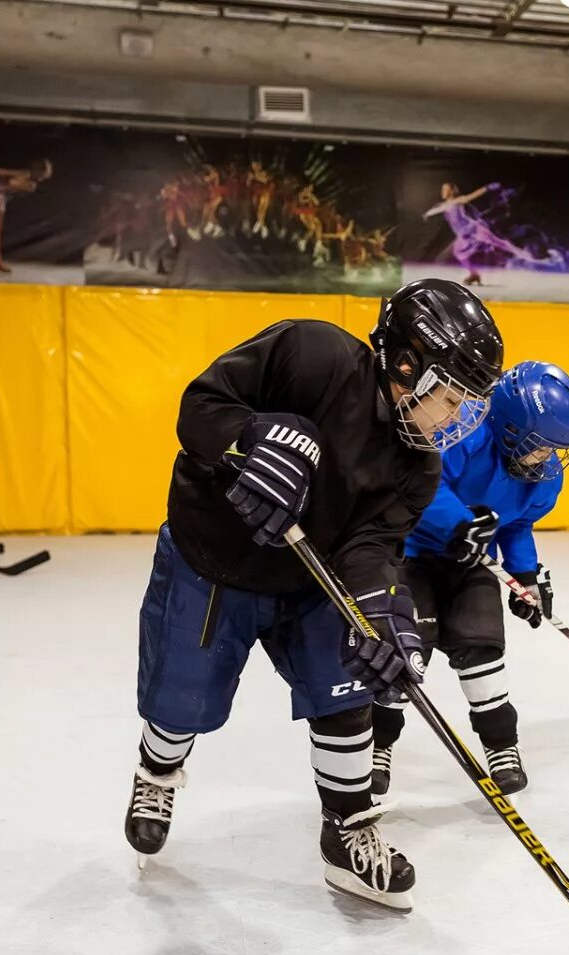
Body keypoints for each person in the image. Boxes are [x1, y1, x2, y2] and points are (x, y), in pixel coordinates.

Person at [126, 280, 505, 911]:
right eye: (450, 397)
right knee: (180, 701)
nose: (452, 419)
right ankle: (157, 771)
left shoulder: (419, 467)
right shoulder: (311, 353)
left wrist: (385, 614)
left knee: (347, 690)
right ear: (407, 362)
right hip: (214, 561)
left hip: (309, 580)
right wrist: (250, 439)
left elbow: (373, 548)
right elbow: (200, 408)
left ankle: (348, 834)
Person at [370, 361, 569, 795]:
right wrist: (459, 524)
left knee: (483, 649)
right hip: (412, 557)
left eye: (555, 450)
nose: (548, 458)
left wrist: (525, 573)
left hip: (473, 564)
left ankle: (501, 746)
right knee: (404, 655)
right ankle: (377, 746)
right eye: (541, 445)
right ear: (510, 425)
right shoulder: (462, 431)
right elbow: (424, 486)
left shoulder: (542, 474)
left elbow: (516, 524)